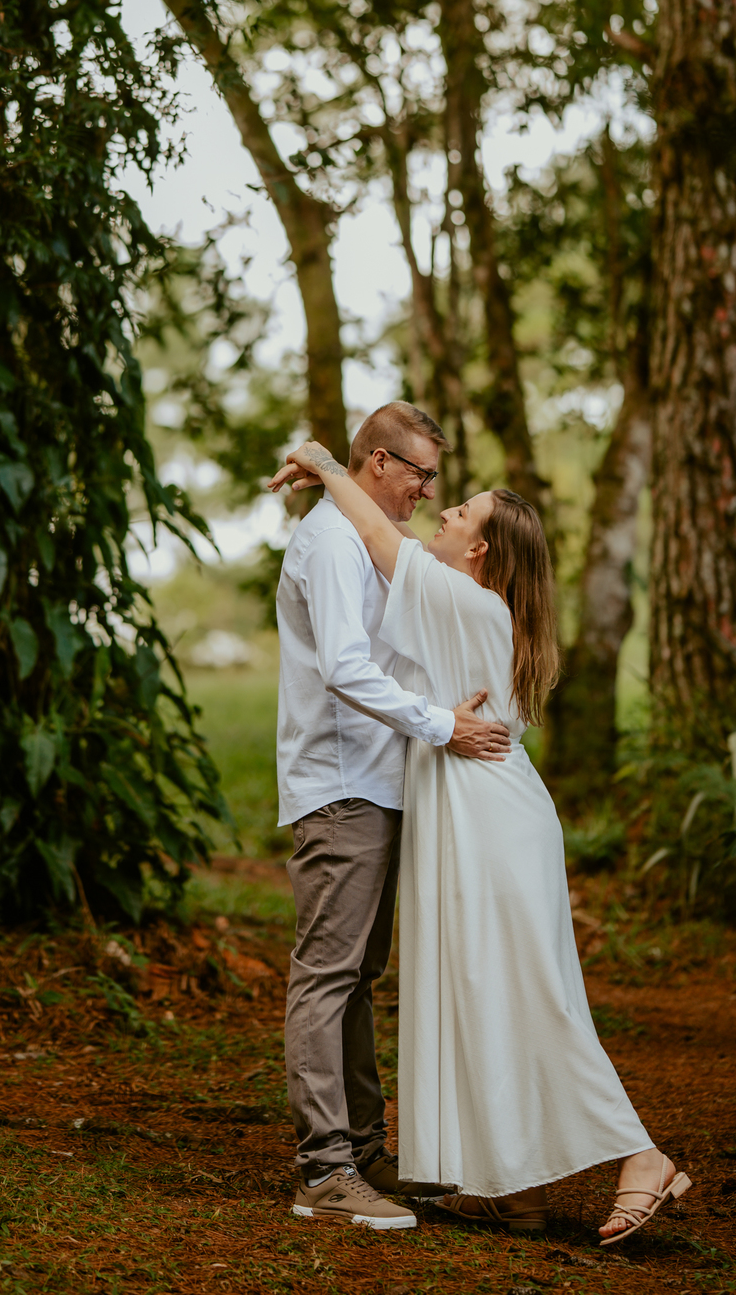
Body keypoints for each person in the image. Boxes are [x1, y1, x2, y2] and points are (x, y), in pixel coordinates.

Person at [269, 437, 691, 1248]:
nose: (441, 510)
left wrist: (324, 465)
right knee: (488, 997)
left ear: (480, 550)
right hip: (477, 817)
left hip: (490, 826)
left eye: (459, 511)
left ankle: (641, 1155)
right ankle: (514, 1192)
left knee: (532, 998)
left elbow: (380, 536)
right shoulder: (476, 606)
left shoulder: (468, 603)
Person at [272, 402, 513, 1233]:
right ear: (378, 462)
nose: (427, 491)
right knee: (327, 975)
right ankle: (324, 1170)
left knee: (359, 977)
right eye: (420, 473)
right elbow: (345, 667)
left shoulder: (368, 536)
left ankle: (365, 1151)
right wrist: (443, 725)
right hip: (341, 785)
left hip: (379, 782)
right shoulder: (332, 542)